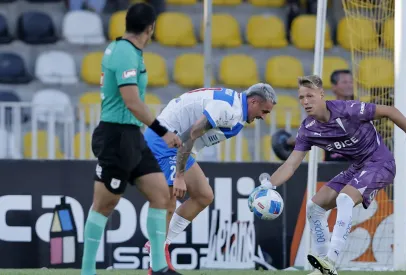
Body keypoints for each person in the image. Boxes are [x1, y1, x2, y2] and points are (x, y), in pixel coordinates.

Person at [249, 75, 406, 275]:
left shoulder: (348, 110)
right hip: (357, 167)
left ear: (321, 95)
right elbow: (291, 165)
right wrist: (267, 186)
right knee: (315, 206)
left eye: (310, 96)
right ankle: (325, 268)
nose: (305, 101)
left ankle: (331, 260)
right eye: (301, 97)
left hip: (381, 163)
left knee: (345, 199)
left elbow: (390, 111)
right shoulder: (308, 129)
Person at [81, 3, 182, 275]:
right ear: (150, 28)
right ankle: (87, 271)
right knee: (105, 204)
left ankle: (159, 267)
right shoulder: (125, 53)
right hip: (115, 136)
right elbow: (132, 102)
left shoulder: (127, 50)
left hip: (131, 136)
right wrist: (164, 132)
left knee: (162, 194)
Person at [143, 84, 277, 274]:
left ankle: (160, 244)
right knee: (169, 202)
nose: (263, 117)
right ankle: (157, 264)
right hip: (165, 139)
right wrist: (180, 175)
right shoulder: (227, 109)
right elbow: (189, 134)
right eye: (264, 111)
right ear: (253, 101)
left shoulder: (237, 111)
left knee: (204, 195)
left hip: (179, 143)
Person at [284, 69, 354, 162]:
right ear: (334, 87)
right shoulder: (325, 110)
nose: (349, 85)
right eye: (345, 82)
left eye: (351, 82)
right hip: (333, 165)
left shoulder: (361, 109)